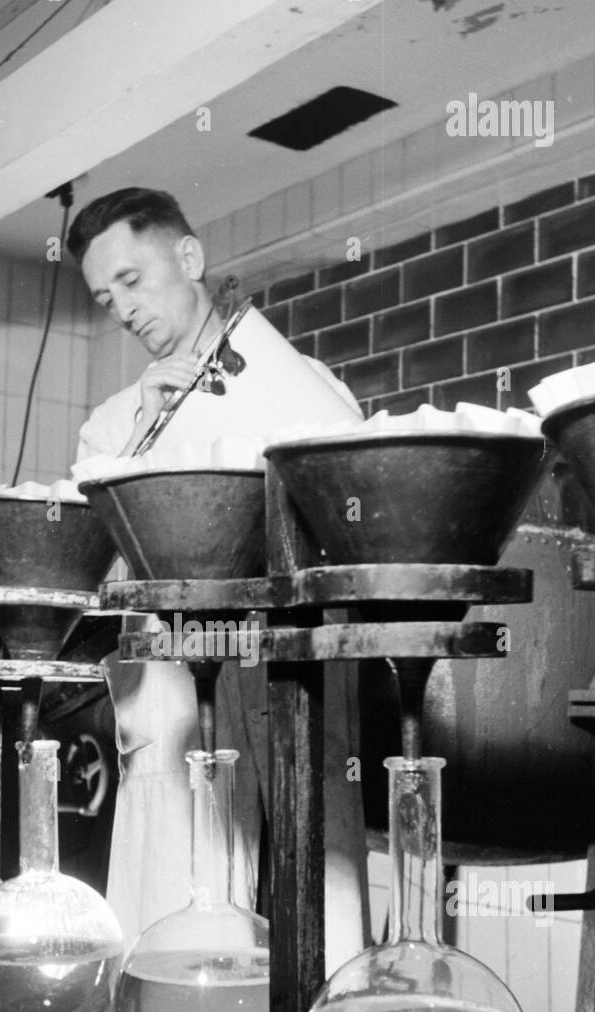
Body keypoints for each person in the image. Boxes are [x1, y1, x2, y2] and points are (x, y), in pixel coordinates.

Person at [69, 188, 371, 967]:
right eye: (106, 298)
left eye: (132, 281)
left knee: (317, 857)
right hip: (173, 677)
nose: (122, 309)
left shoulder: (302, 383)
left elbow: (350, 509)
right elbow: (92, 566)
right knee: (177, 880)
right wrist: (146, 435)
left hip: (286, 667)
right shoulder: (110, 426)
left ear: (190, 258)